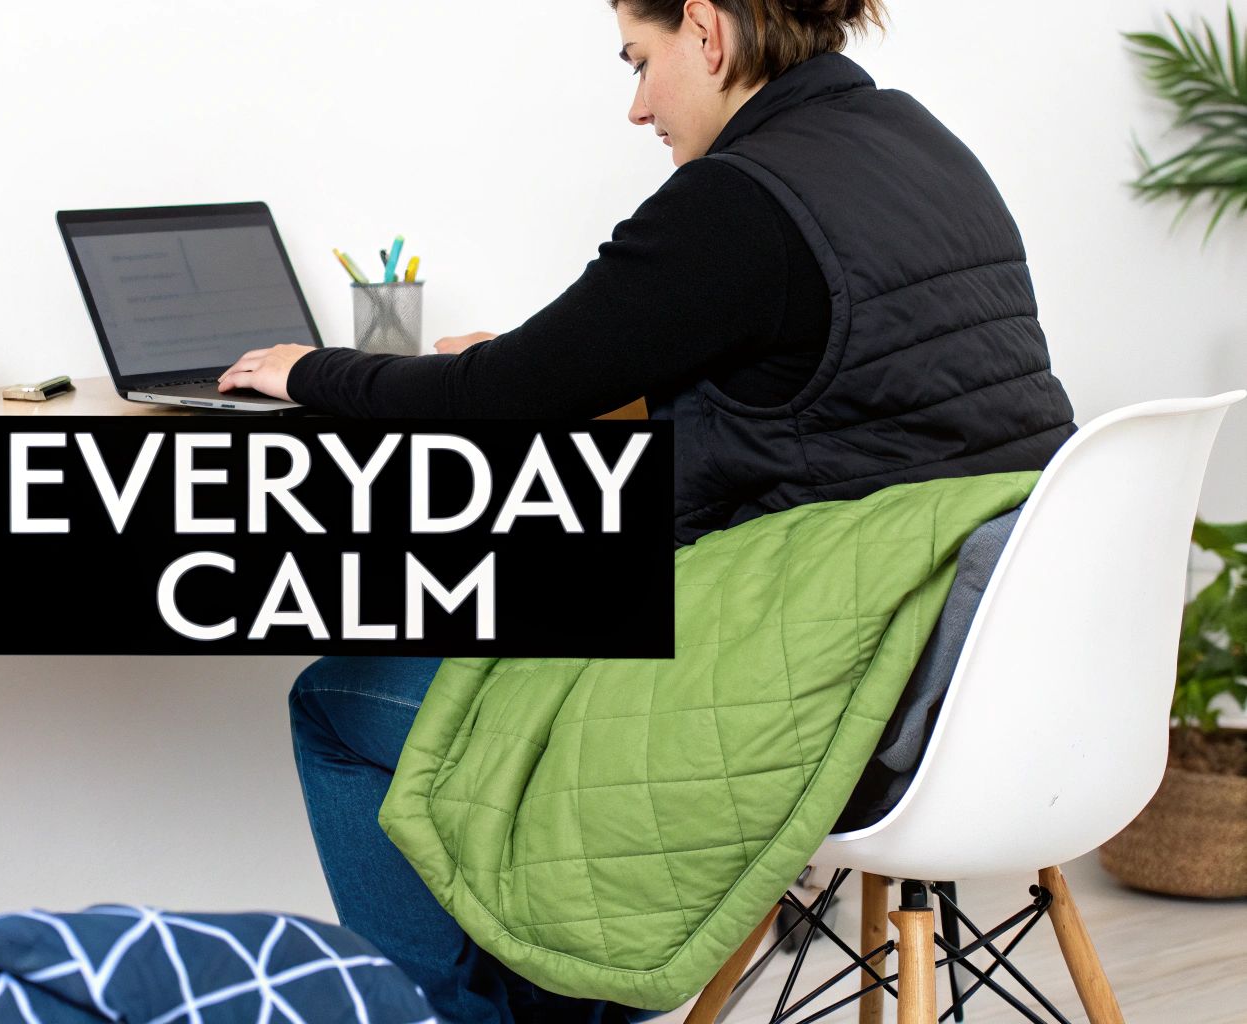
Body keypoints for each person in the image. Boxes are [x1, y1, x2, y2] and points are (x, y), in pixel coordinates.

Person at [259, 0, 1077, 1021]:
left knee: (339, 699)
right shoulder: (919, 142)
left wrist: (311, 370)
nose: (638, 106)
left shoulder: (736, 199)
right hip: (1000, 679)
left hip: (851, 697)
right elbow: (824, 382)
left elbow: (496, 400)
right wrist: (539, 365)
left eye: (638, 61)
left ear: (706, 30)